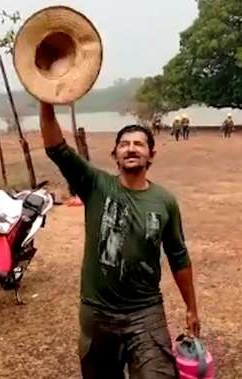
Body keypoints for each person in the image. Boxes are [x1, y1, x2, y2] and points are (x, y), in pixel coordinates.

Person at [40, 102, 200, 378]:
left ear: (151, 155)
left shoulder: (164, 202)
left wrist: (191, 308)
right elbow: (57, 149)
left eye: (139, 144)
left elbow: (178, 257)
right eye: (124, 144)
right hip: (97, 313)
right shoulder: (95, 185)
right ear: (115, 154)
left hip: (146, 312)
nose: (131, 148)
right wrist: (46, 101)